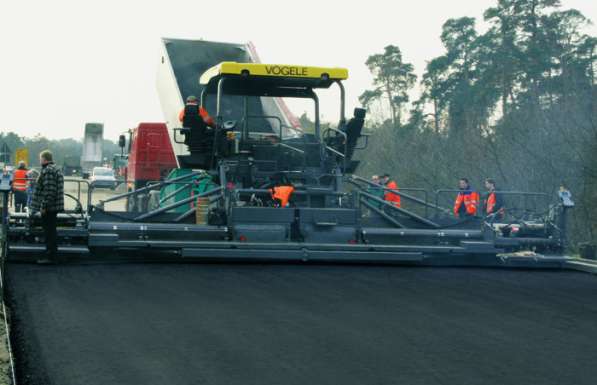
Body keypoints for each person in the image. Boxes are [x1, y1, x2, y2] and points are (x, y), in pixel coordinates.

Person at [30, 150, 64, 264]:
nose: (40, 160)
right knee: (51, 232)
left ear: (44, 159)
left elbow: (50, 191)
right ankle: (52, 256)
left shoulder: (48, 170)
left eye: (40, 158)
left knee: (49, 233)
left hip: (49, 208)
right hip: (52, 207)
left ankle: (50, 258)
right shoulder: (54, 169)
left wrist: (43, 207)